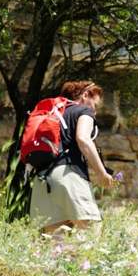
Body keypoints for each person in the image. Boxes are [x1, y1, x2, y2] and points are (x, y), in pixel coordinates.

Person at [29, 80, 116, 233]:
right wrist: (102, 173)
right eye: (94, 105)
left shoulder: (53, 114)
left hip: (42, 181)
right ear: (85, 95)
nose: (94, 110)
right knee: (91, 233)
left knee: (55, 244)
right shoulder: (83, 111)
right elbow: (83, 139)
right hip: (68, 176)